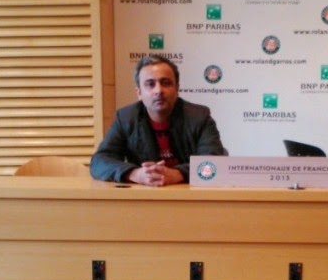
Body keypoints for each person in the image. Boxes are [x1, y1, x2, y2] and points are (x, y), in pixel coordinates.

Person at [90, 55, 226, 186]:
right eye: (150, 84)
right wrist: (135, 174)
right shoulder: (126, 118)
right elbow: (99, 162)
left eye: (165, 83)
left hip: (189, 195)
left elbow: (215, 162)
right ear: (139, 93)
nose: (159, 90)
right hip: (145, 196)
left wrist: (178, 174)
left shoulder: (199, 116)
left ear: (177, 89)